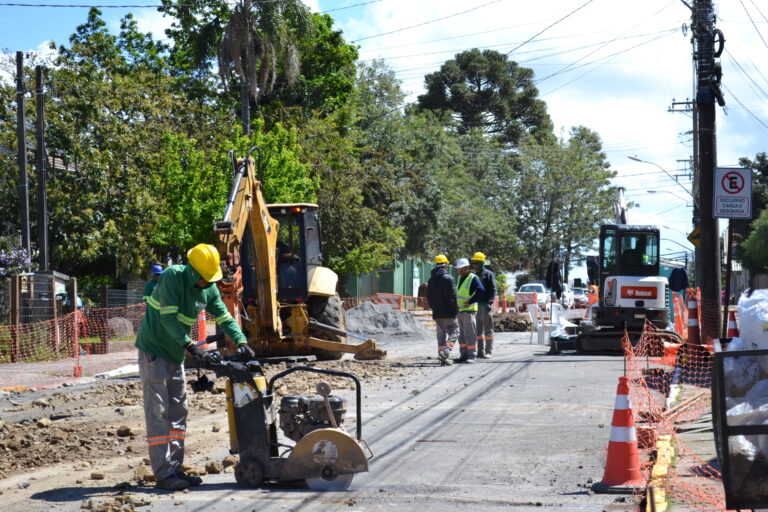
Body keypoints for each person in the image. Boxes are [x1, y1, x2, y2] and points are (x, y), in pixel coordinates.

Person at [135, 243, 256, 491]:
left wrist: (242, 342)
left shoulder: (209, 288)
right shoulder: (172, 278)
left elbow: (224, 316)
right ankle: (163, 473)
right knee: (158, 412)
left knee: (179, 410)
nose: (208, 283)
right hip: (155, 350)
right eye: (204, 278)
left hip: (175, 353)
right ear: (192, 271)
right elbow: (167, 318)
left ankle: (176, 468)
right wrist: (192, 347)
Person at [426, 254, 459, 366]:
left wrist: (434, 308)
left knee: (441, 336)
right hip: (449, 313)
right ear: (445, 265)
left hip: (437, 313)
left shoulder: (431, 280)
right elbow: (453, 297)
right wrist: (455, 310)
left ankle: (442, 357)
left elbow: (429, 297)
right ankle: (445, 353)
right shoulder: (449, 278)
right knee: (455, 332)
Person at [454, 257, 484, 363]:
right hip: (460, 311)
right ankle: (464, 355)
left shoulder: (473, 278)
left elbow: (481, 290)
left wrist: (471, 301)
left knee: (470, 334)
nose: (460, 271)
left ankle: (472, 356)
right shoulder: (459, 278)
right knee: (461, 335)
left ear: (467, 268)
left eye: (462, 269)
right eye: (459, 269)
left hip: (469, 310)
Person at [471, 252, 496, 359]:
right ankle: (480, 352)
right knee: (478, 331)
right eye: (473, 263)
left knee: (488, 330)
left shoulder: (488, 274)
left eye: (476, 263)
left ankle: (488, 351)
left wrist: (489, 304)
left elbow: (493, 290)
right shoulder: (473, 276)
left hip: (485, 306)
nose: (474, 265)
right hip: (476, 307)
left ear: (481, 263)